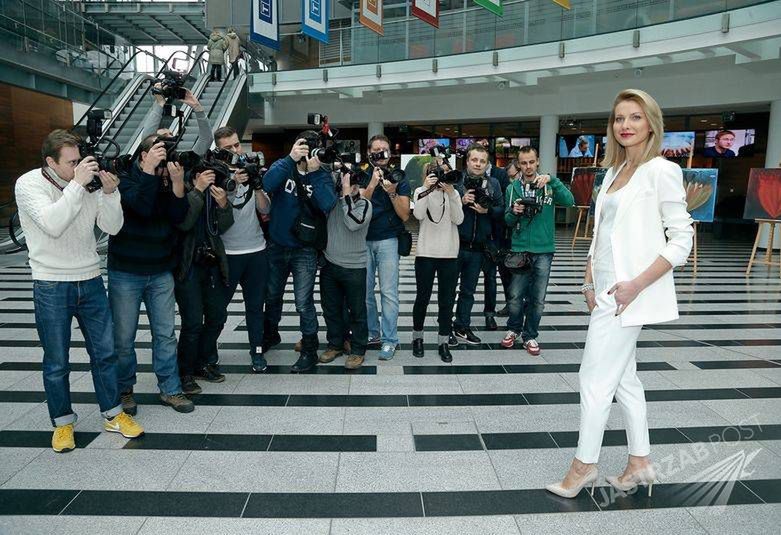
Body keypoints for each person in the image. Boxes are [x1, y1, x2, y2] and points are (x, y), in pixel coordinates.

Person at [547, 88, 694, 499]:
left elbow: (681, 240)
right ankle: (640, 463)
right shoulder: (612, 172)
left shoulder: (660, 170)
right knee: (625, 380)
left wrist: (636, 285)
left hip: (630, 292)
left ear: (651, 123)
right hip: (607, 289)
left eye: (635, 117)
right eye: (618, 118)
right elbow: (602, 233)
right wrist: (589, 279)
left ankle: (583, 466)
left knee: (593, 378)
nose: (625, 125)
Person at [16, 130, 144, 452]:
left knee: (105, 354)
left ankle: (113, 414)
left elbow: (112, 227)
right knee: (57, 360)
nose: (79, 167)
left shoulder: (88, 183)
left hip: (89, 279)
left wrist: (111, 195)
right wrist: (77, 185)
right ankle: (62, 423)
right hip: (50, 282)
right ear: (50, 162)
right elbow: (53, 223)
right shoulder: (29, 184)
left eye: (80, 160)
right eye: (71, 163)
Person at [109, 135, 194, 414]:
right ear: (143, 154)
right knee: (123, 337)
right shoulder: (123, 176)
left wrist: (178, 182)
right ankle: (124, 390)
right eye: (157, 154)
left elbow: (179, 216)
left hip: (160, 270)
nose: (162, 160)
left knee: (165, 334)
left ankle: (170, 389)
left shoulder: (165, 177)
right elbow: (141, 207)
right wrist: (149, 173)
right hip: (126, 271)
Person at [262, 133, 338, 372]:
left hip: (304, 250)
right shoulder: (283, 165)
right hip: (276, 245)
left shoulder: (322, 174)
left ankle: (309, 350)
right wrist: (289, 158)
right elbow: (266, 184)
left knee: (303, 303)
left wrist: (315, 172)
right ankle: (270, 333)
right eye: (303, 146)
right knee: (272, 296)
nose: (308, 151)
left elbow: (328, 204)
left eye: (312, 147)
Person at [501, 146, 574, 355]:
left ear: (538, 161)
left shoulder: (548, 185)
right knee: (515, 295)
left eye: (531, 162)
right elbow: (507, 220)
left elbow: (569, 201)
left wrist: (553, 180)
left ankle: (530, 335)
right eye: (523, 163)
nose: (528, 167)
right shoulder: (512, 188)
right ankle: (513, 329)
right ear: (518, 164)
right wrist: (514, 212)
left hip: (544, 249)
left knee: (538, 298)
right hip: (519, 249)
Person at [212, 126, 272, 373]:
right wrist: (231, 183)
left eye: (237, 144)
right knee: (218, 308)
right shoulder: (213, 175)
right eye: (229, 147)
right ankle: (208, 350)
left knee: (256, 306)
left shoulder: (251, 169)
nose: (236, 150)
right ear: (218, 151)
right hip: (227, 254)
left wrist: (257, 185)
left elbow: (266, 209)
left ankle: (257, 351)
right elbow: (216, 213)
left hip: (256, 251)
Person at [173, 166, 233, 395]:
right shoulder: (181, 192)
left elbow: (224, 227)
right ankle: (185, 371)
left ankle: (204, 362)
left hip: (211, 265)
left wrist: (223, 205)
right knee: (193, 322)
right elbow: (185, 222)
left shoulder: (212, 195)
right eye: (204, 176)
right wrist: (197, 190)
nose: (210, 181)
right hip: (188, 267)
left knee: (218, 315)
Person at [360, 135, 411, 360]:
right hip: (362, 240)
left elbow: (404, 214)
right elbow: (358, 204)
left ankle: (390, 339)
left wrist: (391, 190)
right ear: (369, 152)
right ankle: (373, 333)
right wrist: (372, 183)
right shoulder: (360, 174)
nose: (381, 153)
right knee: (365, 292)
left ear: (391, 153)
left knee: (389, 293)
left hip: (389, 239)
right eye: (377, 150)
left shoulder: (399, 177)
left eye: (385, 150)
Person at [319, 171, 373, 369]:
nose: (352, 186)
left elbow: (352, 223)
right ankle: (335, 344)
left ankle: (358, 349)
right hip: (330, 264)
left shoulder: (365, 205)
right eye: (349, 182)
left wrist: (346, 195)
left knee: (357, 311)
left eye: (354, 183)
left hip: (354, 267)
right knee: (331, 309)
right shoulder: (333, 203)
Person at [411, 162, 464, 362]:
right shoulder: (420, 190)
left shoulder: (454, 193)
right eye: (433, 174)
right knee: (422, 298)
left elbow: (459, 220)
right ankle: (417, 338)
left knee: (446, 301)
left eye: (442, 173)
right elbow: (417, 215)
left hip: (449, 253)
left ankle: (443, 341)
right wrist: (426, 188)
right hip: (425, 253)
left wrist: (450, 193)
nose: (438, 177)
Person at [452, 144, 503, 345]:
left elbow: (501, 210)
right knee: (448, 291)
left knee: (468, 291)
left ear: (487, 163)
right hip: (455, 245)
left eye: (482, 161)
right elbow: (443, 210)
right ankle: (445, 328)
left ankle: (462, 327)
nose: (478, 164)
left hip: (478, 247)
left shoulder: (494, 184)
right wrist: (461, 201)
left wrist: (487, 210)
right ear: (467, 161)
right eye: (474, 160)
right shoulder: (456, 182)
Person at [141, 86, 213, 156]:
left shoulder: (183, 160)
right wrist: (160, 104)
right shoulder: (151, 162)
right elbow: (147, 139)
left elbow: (206, 139)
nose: (170, 138)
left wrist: (197, 107)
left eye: (171, 134)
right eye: (163, 137)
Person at [495, 160, 522, 318]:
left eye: (514, 176)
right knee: (505, 272)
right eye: (510, 177)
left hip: (521, 239)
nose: (512, 180)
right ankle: (510, 303)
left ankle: (520, 304)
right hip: (504, 237)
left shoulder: (526, 189)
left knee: (521, 275)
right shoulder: (507, 190)